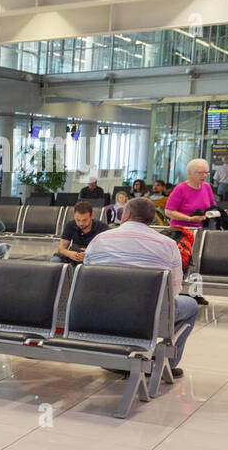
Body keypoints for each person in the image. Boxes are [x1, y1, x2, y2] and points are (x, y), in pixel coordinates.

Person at [84, 197, 196, 376]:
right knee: (191, 306)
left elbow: (86, 278)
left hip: (99, 313)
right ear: (151, 219)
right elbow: (174, 290)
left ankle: (117, 356)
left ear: (126, 215)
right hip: (146, 313)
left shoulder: (99, 240)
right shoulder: (168, 244)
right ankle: (166, 362)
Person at [164, 159, 219, 230]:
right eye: (200, 173)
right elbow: (168, 212)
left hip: (202, 229)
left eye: (206, 173)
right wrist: (189, 219)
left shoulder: (207, 186)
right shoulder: (180, 188)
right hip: (182, 230)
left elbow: (213, 206)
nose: (204, 175)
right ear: (190, 173)